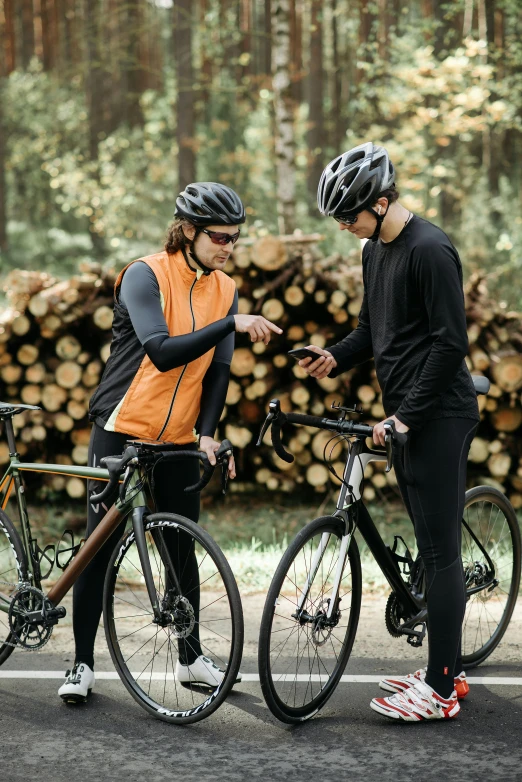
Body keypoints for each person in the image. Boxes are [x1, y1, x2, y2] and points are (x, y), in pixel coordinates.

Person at [59, 182, 282, 703]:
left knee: (181, 548)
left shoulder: (222, 287)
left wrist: (206, 433)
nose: (228, 246)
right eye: (219, 237)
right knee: (99, 547)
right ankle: (81, 664)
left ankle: (189, 658)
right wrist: (230, 322)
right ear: (187, 231)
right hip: (122, 428)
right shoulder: (144, 275)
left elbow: (219, 370)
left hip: (179, 436)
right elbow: (160, 351)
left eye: (235, 238)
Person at [301, 142, 480, 722]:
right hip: (402, 418)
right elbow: (371, 331)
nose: (345, 227)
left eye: (349, 215)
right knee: (430, 548)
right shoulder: (374, 252)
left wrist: (406, 416)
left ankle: (442, 687)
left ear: (381, 202)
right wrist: (334, 356)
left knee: (440, 553)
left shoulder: (430, 249)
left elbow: (450, 345)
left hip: (438, 415)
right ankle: (439, 665)